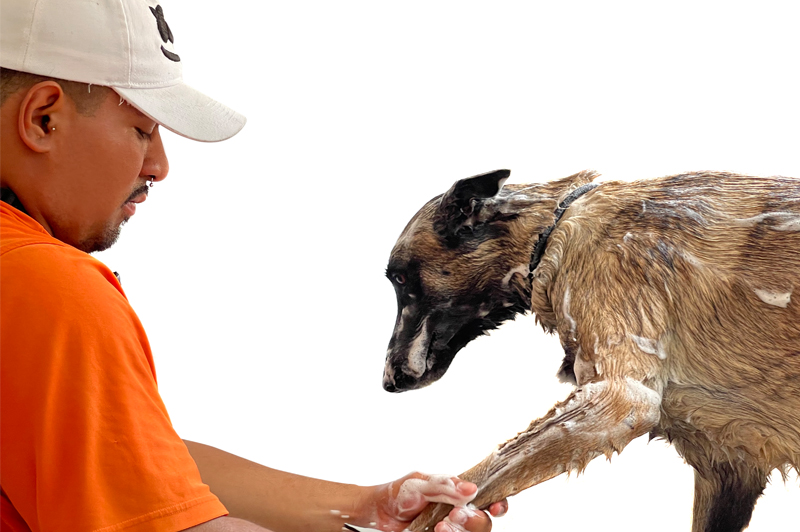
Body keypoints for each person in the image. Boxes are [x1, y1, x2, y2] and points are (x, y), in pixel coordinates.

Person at [0, 1, 508, 531]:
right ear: (44, 118)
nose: (160, 166)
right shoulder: (48, 289)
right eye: (142, 129)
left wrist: (367, 509)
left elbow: (129, 458)